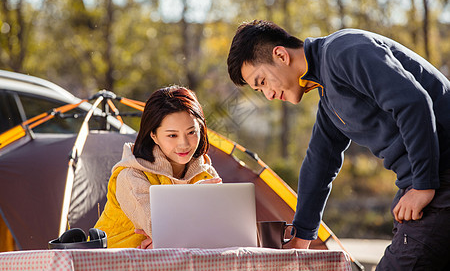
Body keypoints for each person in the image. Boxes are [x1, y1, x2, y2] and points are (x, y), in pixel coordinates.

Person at [226, 20, 450, 269]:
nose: (268, 95)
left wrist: (423, 185)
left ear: (280, 55)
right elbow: (319, 163)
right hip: (425, 181)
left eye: (263, 81)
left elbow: (413, 101)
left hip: (440, 175)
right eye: (260, 90)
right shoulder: (329, 97)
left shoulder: (343, 51)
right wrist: (301, 236)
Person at [95, 85, 222, 249]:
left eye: (191, 132)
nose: (183, 144)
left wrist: (166, 241)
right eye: (172, 135)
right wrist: (193, 200)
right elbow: (159, 228)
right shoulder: (130, 175)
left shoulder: (205, 174)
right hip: (115, 263)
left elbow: (220, 230)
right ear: (153, 135)